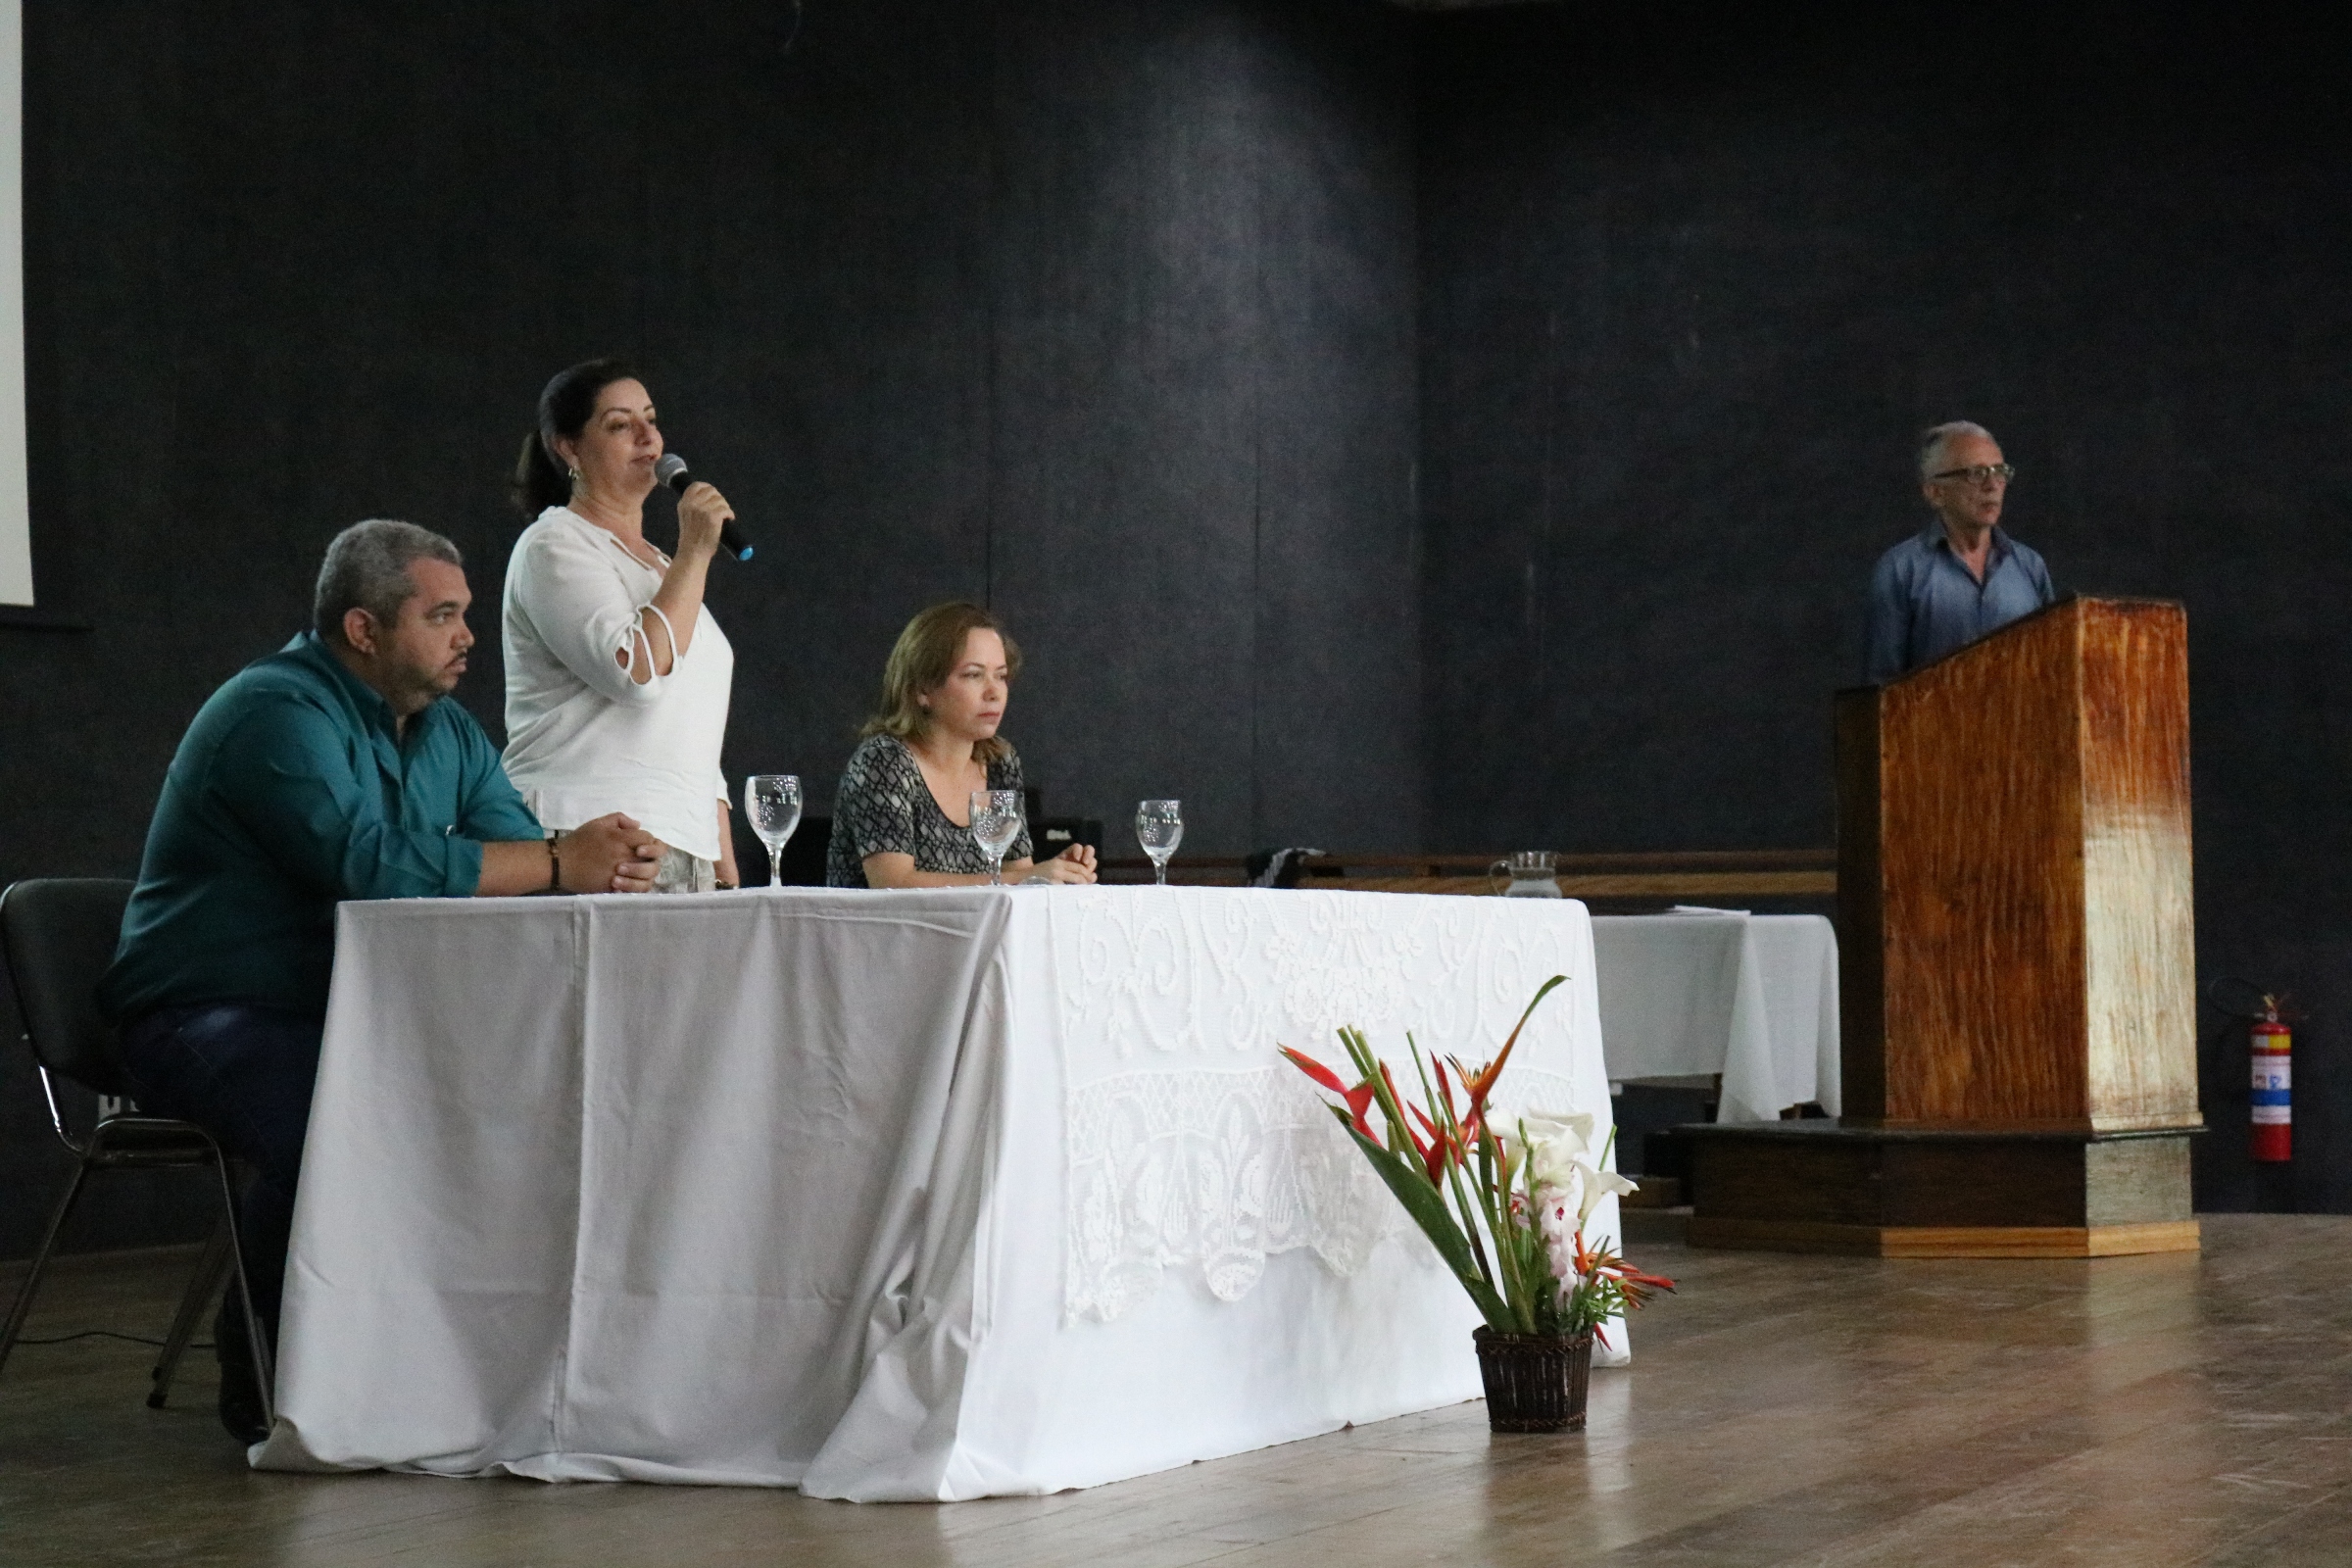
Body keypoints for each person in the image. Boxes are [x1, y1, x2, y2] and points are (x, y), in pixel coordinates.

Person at [99, 519, 662, 1444]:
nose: (468, 636)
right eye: (442, 616)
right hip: (203, 1012)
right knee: (331, 1130)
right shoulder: (273, 711)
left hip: (349, 1014)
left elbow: (519, 853)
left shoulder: (448, 732)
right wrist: (565, 860)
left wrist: (593, 860)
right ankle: (273, 1384)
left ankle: (447, 1377)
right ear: (363, 629)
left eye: (466, 615)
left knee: (495, 1112)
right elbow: (361, 864)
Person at [503, 359, 742, 892]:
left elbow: (690, 727)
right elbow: (637, 673)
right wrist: (695, 551)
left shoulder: (662, 567)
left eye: (651, 419)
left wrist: (721, 860)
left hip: (684, 849)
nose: (647, 437)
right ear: (569, 448)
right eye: (619, 424)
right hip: (592, 840)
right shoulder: (554, 545)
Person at [827, 603, 1100, 888]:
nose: (994, 693)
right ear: (923, 689)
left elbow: (1017, 874)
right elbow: (892, 883)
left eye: (1001, 676)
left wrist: (1055, 874)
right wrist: (1022, 878)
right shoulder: (884, 761)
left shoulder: (1000, 762)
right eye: (973, 674)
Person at [1865, 420, 2057, 683]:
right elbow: (1880, 688)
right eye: (1976, 473)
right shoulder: (1901, 570)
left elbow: (2052, 669)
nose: (1992, 485)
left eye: (1999, 471)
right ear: (1935, 492)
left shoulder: (2030, 566)